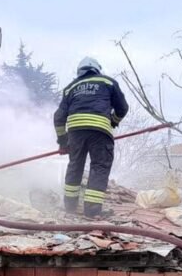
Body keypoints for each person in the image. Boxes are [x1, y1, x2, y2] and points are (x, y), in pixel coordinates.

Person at [52, 57, 128, 217]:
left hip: (76, 133)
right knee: (99, 167)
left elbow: (59, 117)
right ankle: (92, 211)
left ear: (79, 71)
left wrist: (63, 141)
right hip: (100, 131)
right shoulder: (108, 82)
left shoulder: (70, 88)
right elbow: (122, 108)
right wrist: (114, 121)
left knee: (75, 166)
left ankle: (70, 207)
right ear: (97, 70)